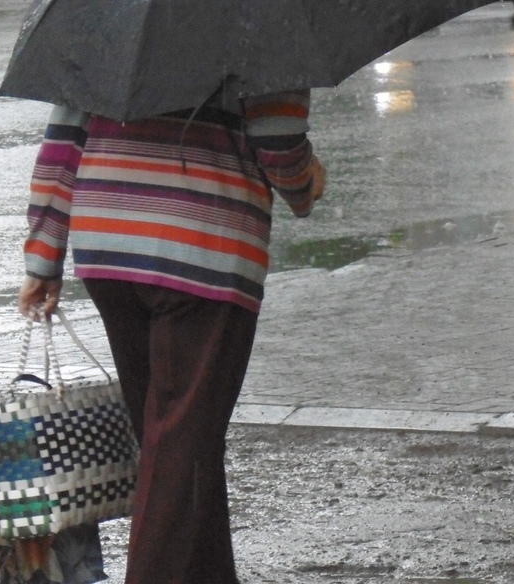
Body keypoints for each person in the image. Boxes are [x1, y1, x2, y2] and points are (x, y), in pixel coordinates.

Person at [17, 83, 324, 584]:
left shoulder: (110, 13)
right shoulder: (263, 21)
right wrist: (307, 183)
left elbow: (65, 136)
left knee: (175, 443)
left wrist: (44, 254)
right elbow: (279, 142)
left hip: (108, 248)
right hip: (202, 247)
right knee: (181, 446)